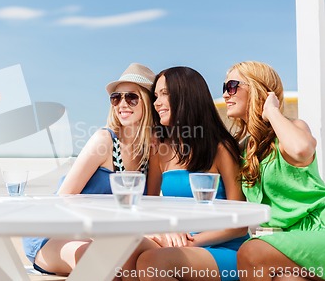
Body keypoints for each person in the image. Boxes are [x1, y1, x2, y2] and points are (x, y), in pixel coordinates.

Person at [22, 62, 158, 276]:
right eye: (116, 98)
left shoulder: (151, 152)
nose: (122, 104)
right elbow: (64, 198)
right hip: (58, 233)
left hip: (109, 238)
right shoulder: (103, 141)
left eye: (131, 97)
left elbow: (149, 208)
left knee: (154, 260)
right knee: (101, 263)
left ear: (149, 102)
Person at [135, 66, 248, 281]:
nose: (156, 103)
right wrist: (164, 231)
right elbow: (148, 207)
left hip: (225, 250)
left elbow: (240, 226)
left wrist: (191, 241)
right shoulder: (159, 149)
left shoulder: (221, 148)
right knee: (125, 248)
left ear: (186, 96)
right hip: (178, 244)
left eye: (164, 94)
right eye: (155, 96)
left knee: (152, 262)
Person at [223, 61, 325, 281]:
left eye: (231, 86)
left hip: (318, 231)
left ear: (258, 89)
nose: (225, 95)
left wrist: (271, 110)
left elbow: (301, 149)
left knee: (252, 252)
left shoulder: (294, 128)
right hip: (283, 242)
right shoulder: (243, 150)